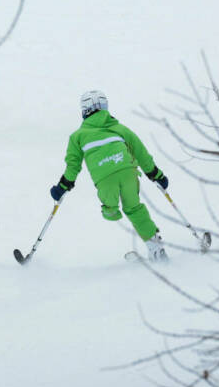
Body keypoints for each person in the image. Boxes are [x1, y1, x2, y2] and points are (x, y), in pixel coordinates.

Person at [50, 90, 170, 261]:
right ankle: (156, 249)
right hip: (127, 171)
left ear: (84, 111)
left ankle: (111, 211)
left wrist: (61, 187)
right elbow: (141, 152)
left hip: (104, 179)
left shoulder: (77, 136)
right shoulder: (120, 129)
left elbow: (73, 166)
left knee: (110, 208)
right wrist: (156, 175)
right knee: (134, 208)